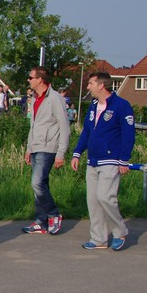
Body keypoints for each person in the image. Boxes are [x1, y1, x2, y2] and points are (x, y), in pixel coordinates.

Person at [70, 72, 136, 251]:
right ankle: (98, 238)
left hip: (111, 159)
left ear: (101, 85)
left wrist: (124, 159)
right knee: (93, 200)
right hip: (93, 159)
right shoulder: (93, 106)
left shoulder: (121, 105)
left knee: (105, 197)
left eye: (91, 83)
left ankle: (119, 231)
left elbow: (128, 134)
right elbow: (86, 132)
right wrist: (77, 152)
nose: (88, 87)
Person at [22, 67, 71, 235]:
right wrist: (29, 148)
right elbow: (33, 125)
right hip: (36, 146)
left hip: (48, 147)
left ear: (40, 80)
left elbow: (64, 127)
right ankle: (41, 221)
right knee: (41, 185)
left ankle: (54, 214)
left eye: (31, 77)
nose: (28, 80)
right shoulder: (35, 98)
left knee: (36, 183)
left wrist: (61, 153)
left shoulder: (55, 98)